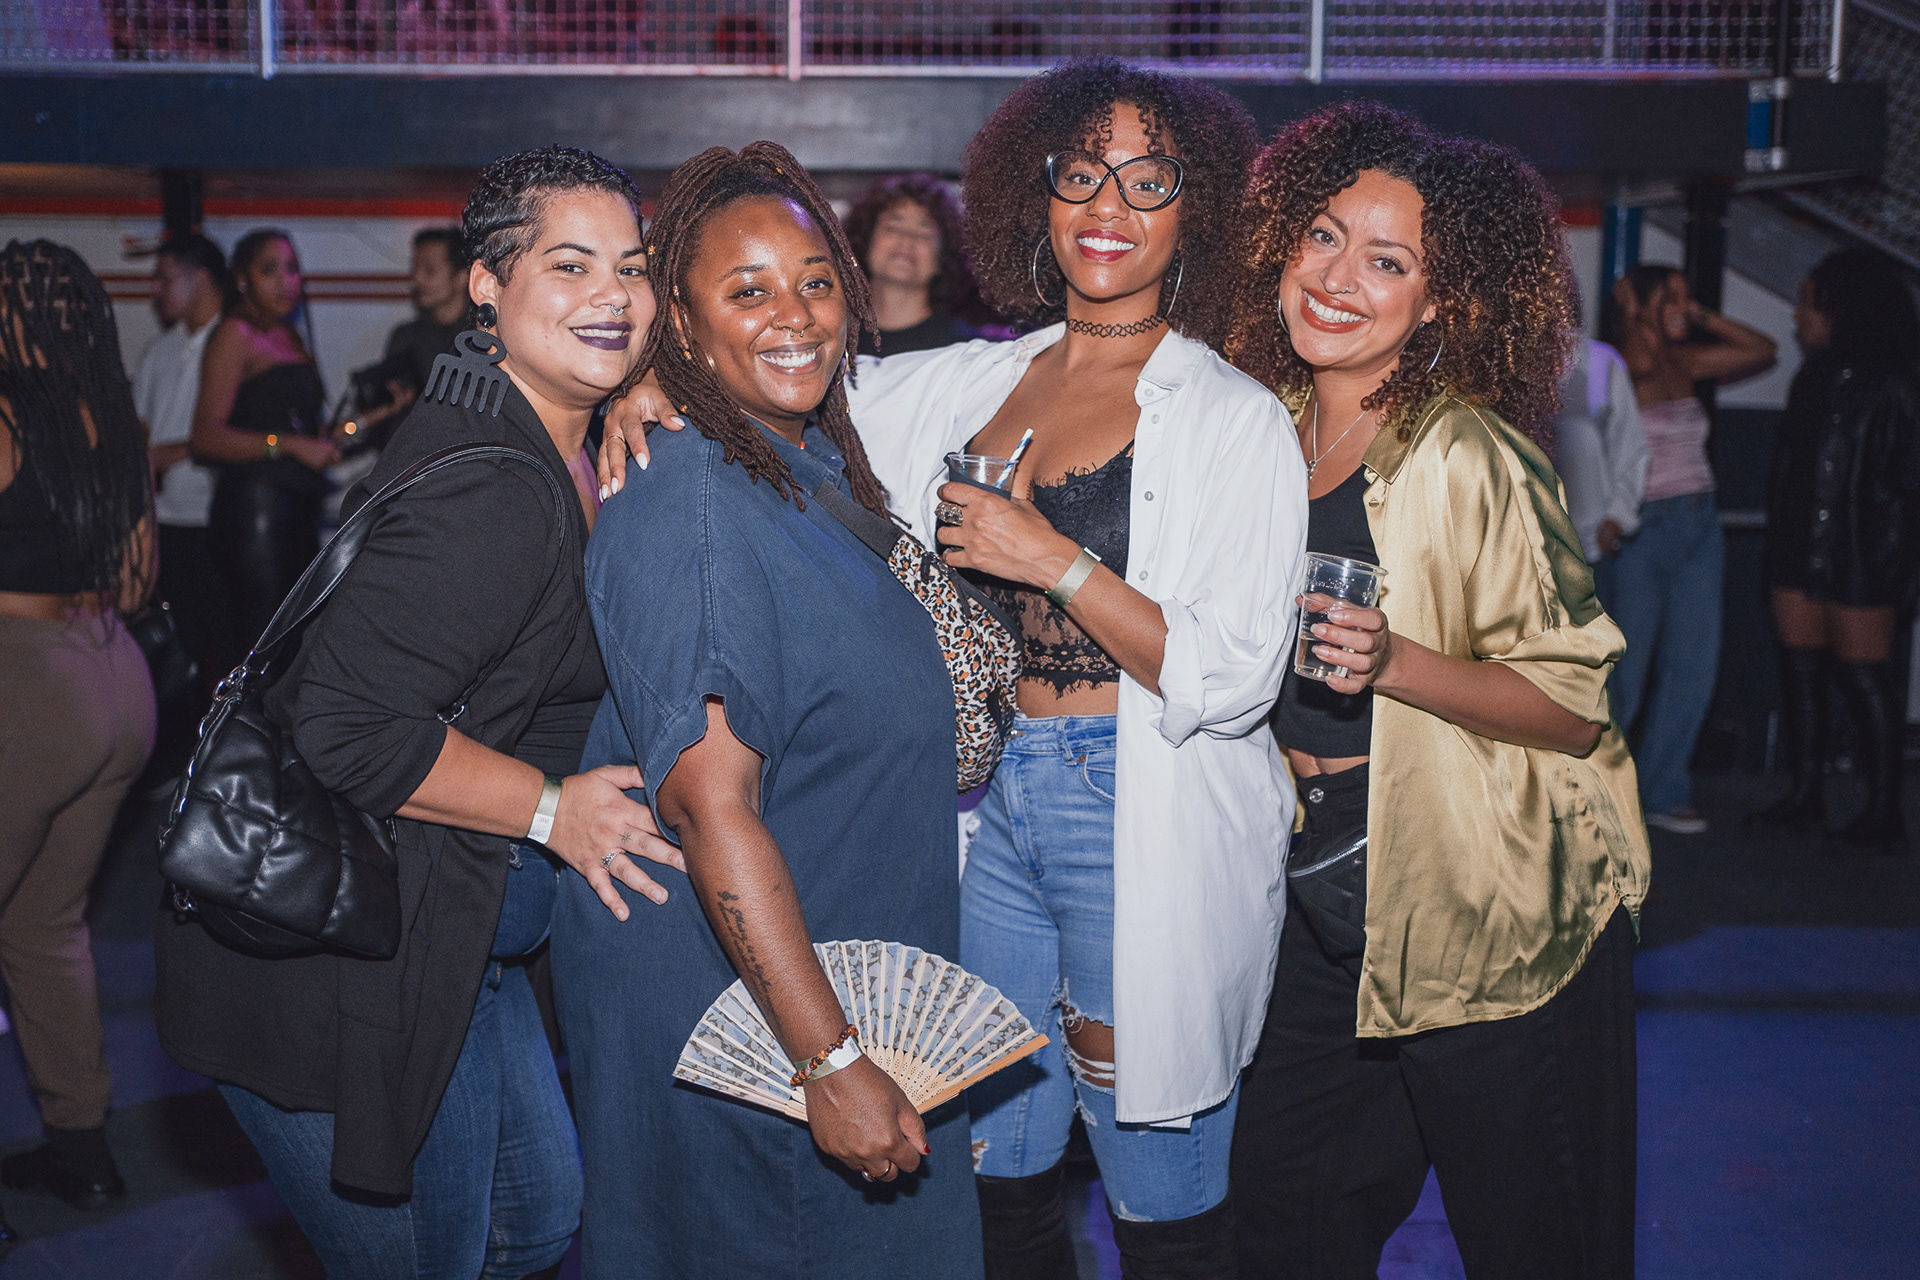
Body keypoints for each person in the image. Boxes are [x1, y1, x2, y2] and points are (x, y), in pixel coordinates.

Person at [597, 59, 1303, 1278]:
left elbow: (1238, 677)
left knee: (1153, 1165)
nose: (1110, 206)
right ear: (1038, 192)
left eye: (1149, 180)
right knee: (993, 1147)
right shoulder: (973, 377)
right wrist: (653, 374)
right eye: (1082, 175)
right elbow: (791, 366)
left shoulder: (1235, 416)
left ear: (1198, 213)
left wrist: (1053, 560)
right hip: (980, 802)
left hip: (1133, 803)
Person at [154, 146, 681, 1279]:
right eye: (571, 264)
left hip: (455, 930)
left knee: (532, 1221)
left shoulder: (522, 413)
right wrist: (554, 810)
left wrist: (635, 385)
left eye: (631, 268)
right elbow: (346, 724)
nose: (612, 295)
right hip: (338, 957)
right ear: (488, 283)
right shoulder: (498, 486)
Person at [1222, 104, 1651, 1280]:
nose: (1336, 277)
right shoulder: (1256, 433)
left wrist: (1396, 661)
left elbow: (1574, 701)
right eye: (1322, 236)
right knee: (1279, 1214)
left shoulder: (1468, 454)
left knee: (1536, 1238)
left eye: (1386, 260)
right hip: (1311, 886)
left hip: (1480, 894)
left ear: (1440, 301)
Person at [553, 141, 986, 1280]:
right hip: (747, 1028)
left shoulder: (798, 462)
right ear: (683, 328)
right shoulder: (694, 500)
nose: (794, 314)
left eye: (815, 280)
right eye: (747, 291)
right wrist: (828, 1061)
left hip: (826, 988)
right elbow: (711, 804)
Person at [0, 241, 158, 1236]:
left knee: (43, 923)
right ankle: (81, 1149)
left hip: (25, 683)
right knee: (44, 925)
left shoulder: (7, 414)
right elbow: (139, 582)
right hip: (116, 680)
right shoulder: (115, 417)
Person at [1749, 248, 1920, 855]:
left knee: (1865, 678)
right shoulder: (1812, 379)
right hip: (1799, 550)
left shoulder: (1897, 387)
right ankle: (1805, 798)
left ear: (1843, 309)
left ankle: (1884, 813)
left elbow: (1907, 488)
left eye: (1808, 303)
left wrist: (1898, 572)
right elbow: (1787, 473)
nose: (1799, 316)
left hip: (1862, 558)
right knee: (1800, 676)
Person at [1602, 262, 1776, 834]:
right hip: (1640, 529)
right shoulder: (1614, 367)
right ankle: (1601, 796)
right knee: (1625, 674)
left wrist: (1699, 315)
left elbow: (1764, 349)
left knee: (1693, 666)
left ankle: (1663, 789)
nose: (1685, 305)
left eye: (1688, 295)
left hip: (1700, 524)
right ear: (1635, 301)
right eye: (1671, 295)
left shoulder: (1687, 362)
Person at [188, 228, 339, 666]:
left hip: (297, 507)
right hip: (254, 511)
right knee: (262, 644)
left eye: (291, 269)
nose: (285, 282)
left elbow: (302, 427)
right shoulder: (235, 334)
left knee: (298, 642)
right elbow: (205, 437)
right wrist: (286, 445)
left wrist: (360, 424)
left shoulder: (290, 336)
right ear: (242, 280)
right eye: (269, 270)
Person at [135, 232, 233, 687]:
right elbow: (141, 428)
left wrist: (177, 451)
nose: (156, 289)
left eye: (166, 277)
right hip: (166, 520)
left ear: (202, 278)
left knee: (227, 642)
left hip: (217, 519)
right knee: (180, 646)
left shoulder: (234, 341)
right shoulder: (159, 350)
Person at [349, 227, 474, 447]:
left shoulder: (480, 339)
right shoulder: (406, 337)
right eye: (415, 268)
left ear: (462, 276)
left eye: (430, 271)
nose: (418, 279)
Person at [1552, 335, 1648, 604]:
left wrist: (1616, 518)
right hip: (1525, 553)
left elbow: (1631, 447)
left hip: (1590, 550)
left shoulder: (1600, 361)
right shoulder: (1505, 357)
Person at [843, 173, 985, 356]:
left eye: (924, 234)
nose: (906, 240)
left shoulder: (966, 352)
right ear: (865, 240)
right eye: (893, 227)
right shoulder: (836, 341)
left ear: (942, 258)